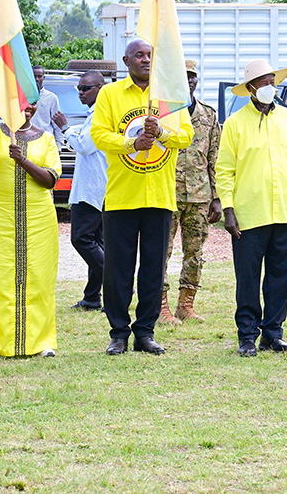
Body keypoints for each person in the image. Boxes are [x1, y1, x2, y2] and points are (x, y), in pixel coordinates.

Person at [90, 39, 194, 355]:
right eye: (139, 55)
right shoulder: (109, 95)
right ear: (126, 61)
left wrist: (162, 133)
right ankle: (119, 333)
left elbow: (186, 135)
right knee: (118, 269)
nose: (146, 59)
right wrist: (131, 144)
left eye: (150, 54)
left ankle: (145, 333)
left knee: (152, 269)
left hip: (160, 198)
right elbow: (99, 134)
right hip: (122, 196)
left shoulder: (170, 97)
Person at [216, 59, 287, 356]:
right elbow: (224, 170)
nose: (270, 87)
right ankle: (247, 335)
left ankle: (273, 333)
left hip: (286, 211)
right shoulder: (234, 124)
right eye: (264, 82)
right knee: (248, 277)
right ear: (251, 89)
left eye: (273, 81)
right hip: (249, 215)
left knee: (281, 275)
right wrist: (228, 209)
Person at [0, 101, 62, 359]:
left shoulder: (47, 138)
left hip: (38, 218)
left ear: (36, 106)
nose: (24, 109)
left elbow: (50, 179)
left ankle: (41, 342)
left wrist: (23, 161)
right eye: (18, 104)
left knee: (39, 278)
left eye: (30, 105)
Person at [161, 59, 222, 325]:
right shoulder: (162, 112)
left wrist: (217, 197)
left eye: (192, 77)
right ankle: (159, 306)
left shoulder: (208, 115)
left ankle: (186, 304)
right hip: (168, 194)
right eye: (183, 76)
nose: (188, 81)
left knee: (195, 253)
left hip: (199, 195)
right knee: (161, 252)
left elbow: (214, 158)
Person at [53, 71, 108, 312]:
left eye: (85, 88)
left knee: (81, 239)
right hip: (95, 186)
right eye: (79, 88)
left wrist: (65, 128)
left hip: (92, 189)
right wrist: (73, 131)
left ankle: (117, 281)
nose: (80, 92)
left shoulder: (100, 115)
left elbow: (84, 145)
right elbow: (83, 137)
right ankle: (92, 296)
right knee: (97, 241)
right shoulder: (92, 114)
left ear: (100, 88)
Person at [30, 65, 64, 149]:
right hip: (27, 141)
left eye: (39, 76)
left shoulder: (51, 98)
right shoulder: (22, 97)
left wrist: (58, 146)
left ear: (43, 77)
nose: (37, 79)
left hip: (45, 143)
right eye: (34, 76)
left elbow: (56, 124)